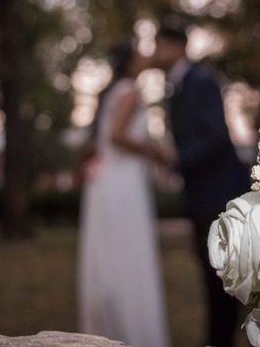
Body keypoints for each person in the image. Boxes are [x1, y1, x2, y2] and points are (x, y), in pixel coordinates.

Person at [153, 24, 249, 347]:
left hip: (218, 194)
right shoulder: (180, 85)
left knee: (222, 275)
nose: (155, 53)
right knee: (211, 276)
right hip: (201, 193)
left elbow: (216, 138)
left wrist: (177, 157)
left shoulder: (201, 82)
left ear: (178, 46)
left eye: (159, 45)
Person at [78, 41, 171, 347]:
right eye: (141, 52)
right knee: (128, 253)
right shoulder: (129, 91)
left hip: (108, 181)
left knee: (111, 254)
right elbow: (117, 136)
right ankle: (131, 329)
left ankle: (112, 325)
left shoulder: (113, 92)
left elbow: (103, 140)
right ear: (131, 61)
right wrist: (153, 151)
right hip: (123, 181)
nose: (148, 56)